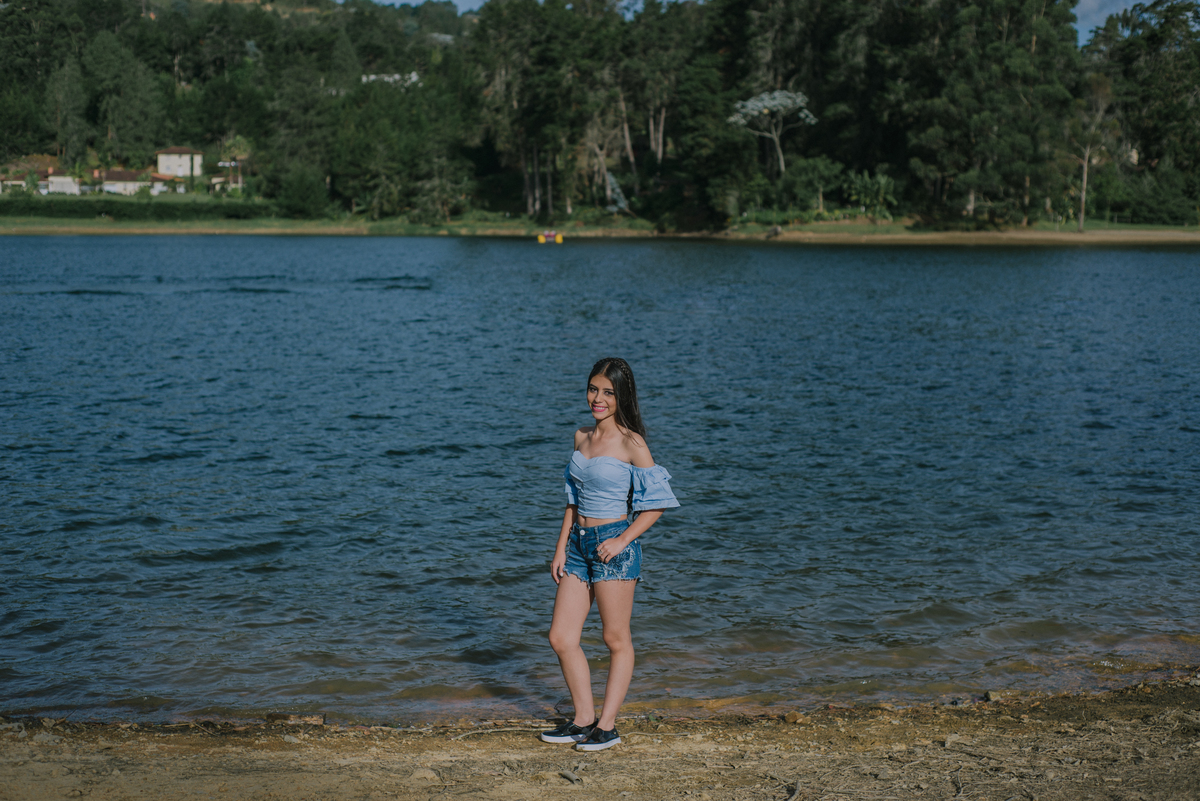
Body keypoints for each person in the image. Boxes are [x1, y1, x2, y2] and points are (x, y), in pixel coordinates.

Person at [540, 357, 680, 752]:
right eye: (593, 389)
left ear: (622, 397)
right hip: (579, 547)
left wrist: (622, 540)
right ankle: (583, 719)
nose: (597, 398)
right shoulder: (581, 436)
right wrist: (560, 548)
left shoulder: (631, 442)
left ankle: (608, 726)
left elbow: (657, 503)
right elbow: (572, 500)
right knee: (561, 637)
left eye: (608, 392)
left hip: (613, 546)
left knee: (615, 638)